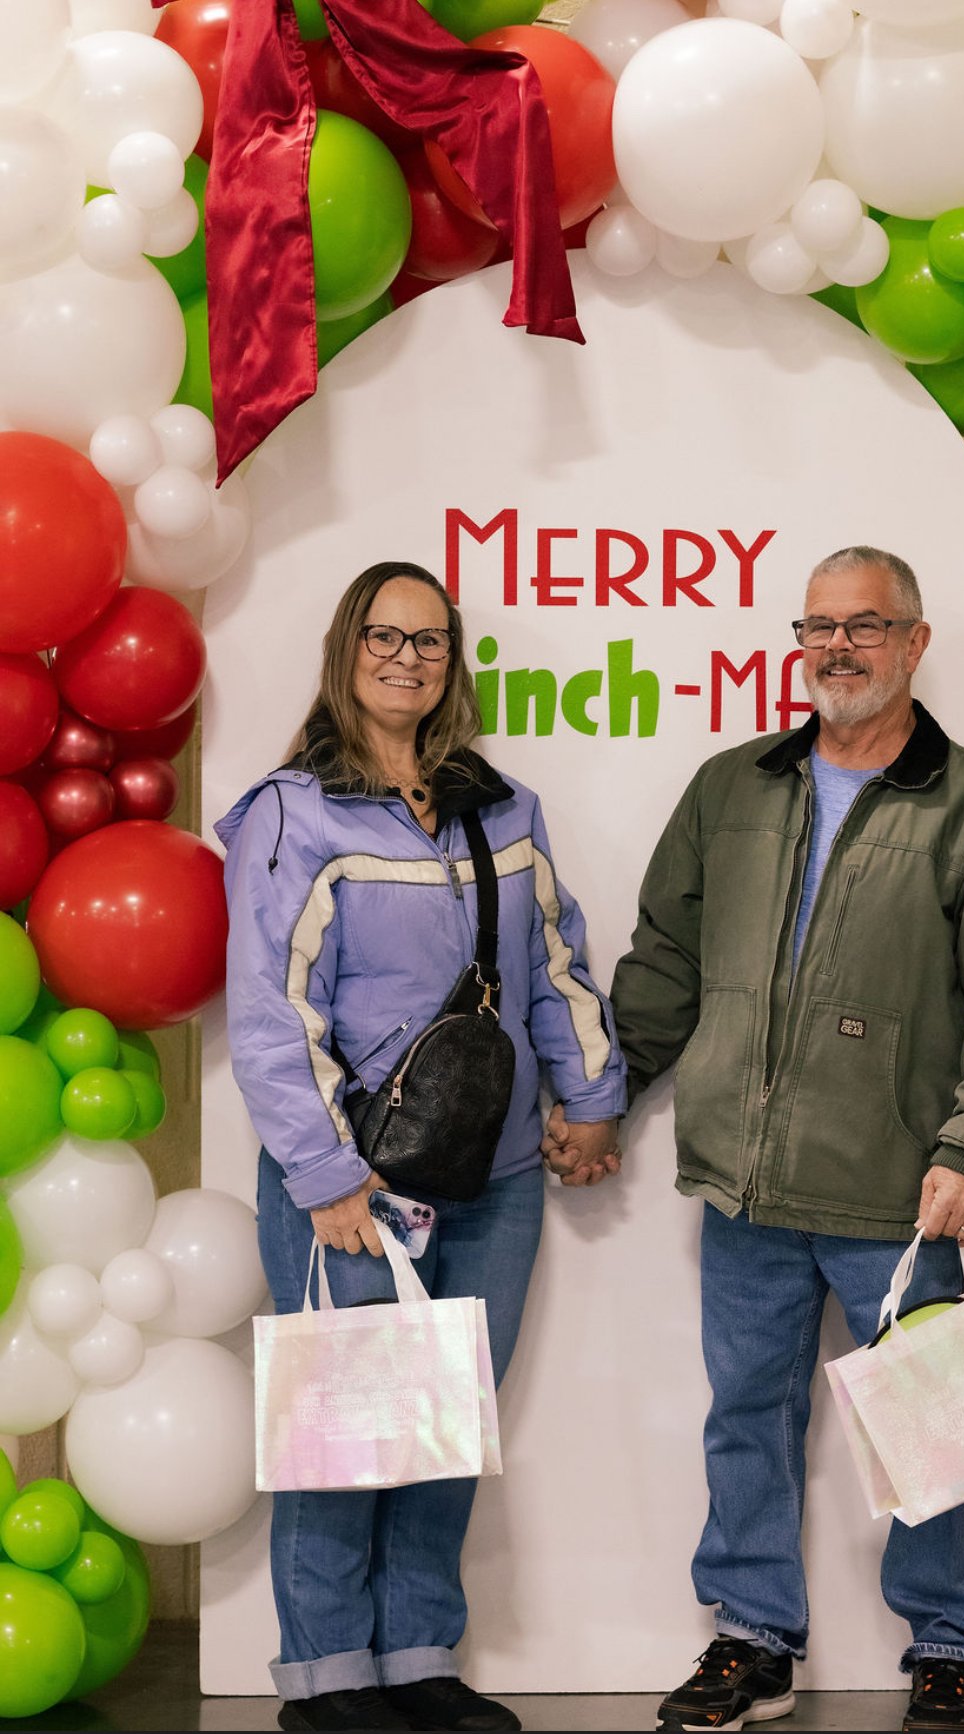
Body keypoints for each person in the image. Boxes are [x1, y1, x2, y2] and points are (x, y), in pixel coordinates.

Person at [547, 545, 964, 1733]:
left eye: (867, 625)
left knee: (936, 1421)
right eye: (819, 627)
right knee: (748, 1413)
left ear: (915, 643)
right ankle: (751, 1642)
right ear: (799, 644)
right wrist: (603, 1101)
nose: (839, 648)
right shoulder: (732, 789)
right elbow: (665, 965)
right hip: (745, 1182)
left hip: (904, 1188)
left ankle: (948, 1646)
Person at [217, 561, 625, 1734]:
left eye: (432, 641)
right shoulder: (291, 813)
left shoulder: (506, 807)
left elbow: (555, 965)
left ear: (454, 660)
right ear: (348, 650)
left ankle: (420, 1657)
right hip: (351, 1184)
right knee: (343, 1428)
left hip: (492, 1177)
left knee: (446, 1420)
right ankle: (329, 1677)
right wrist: (326, 1175)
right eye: (386, 637)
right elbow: (269, 1010)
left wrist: (593, 1098)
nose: (409, 658)